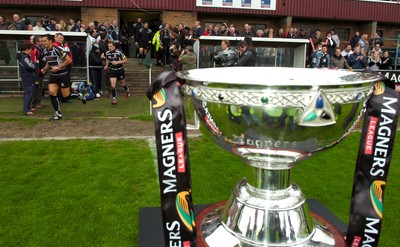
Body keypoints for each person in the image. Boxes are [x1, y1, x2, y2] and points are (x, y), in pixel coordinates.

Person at [41, 34, 83, 121]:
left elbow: (69, 60)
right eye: (42, 41)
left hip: (63, 75)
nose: (43, 43)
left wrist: (58, 67)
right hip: (53, 75)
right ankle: (57, 114)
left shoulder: (57, 50)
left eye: (45, 41)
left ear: (50, 41)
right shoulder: (45, 51)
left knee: (66, 96)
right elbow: (49, 60)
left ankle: (79, 94)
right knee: (52, 93)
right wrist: (45, 68)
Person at [18, 43, 38, 116]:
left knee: (30, 92)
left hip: (28, 77)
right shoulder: (24, 57)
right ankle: (26, 109)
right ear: (27, 49)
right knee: (29, 93)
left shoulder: (25, 56)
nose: (31, 51)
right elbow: (31, 66)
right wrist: (36, 64)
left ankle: (28, 107)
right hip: (27, 77)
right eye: (30, 49)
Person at [30, 35, 46, 110]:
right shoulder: (34, 50)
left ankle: (38, 102)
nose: (43, 42)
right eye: (41, 41)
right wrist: (37, 72)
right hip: (37, 73)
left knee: (39, 88)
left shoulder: (40, 49)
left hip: (41, 72)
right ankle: (34, 103)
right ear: (36, 42)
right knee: (36, 88)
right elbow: (34, 62)